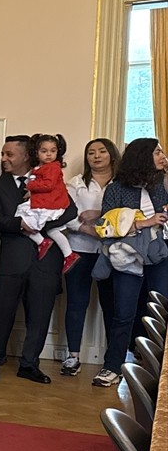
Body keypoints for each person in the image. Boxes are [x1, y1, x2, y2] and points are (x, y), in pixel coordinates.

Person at [0, 135, 77, 384]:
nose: (3, 158)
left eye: (9, 154)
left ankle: (29, 364)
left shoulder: (51, 178)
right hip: (11, 260)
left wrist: (43, 224)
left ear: (26, 155)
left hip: (46, 262)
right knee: (2, 313)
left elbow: (71, 210)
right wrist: (20, 224)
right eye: (3, 154)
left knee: (40, 315)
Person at [93, 137, 168, 388]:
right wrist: (144, 223)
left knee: (160, 313)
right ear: (143, 156)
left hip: (159, 257)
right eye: (157, 152)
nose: (162, 156)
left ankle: (159, 373)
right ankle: (112, 367)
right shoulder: (116, 189)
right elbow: (105, 227)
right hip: (127, 259)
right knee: (123, 314)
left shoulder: (162, 184)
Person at [60, 138, 119, 376]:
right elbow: (65, 215)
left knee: (111, 305)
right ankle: (72, 356)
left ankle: (112, 361)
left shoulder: (122, 183)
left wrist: (99, 215)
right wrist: (86, 229)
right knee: (76, 303)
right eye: (91, 152)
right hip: (79, 249)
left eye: (102, 151)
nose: (96, 156)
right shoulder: (76, 183)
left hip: (112, 251)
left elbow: (126, 215)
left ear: (112, 155)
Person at [16, 134, 79, 274]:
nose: (49, 154)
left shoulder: (53, 168)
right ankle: (68, 254)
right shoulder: (41, 168)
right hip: (47, 202)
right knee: (52, 230)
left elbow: (48, 185)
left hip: (50, 204)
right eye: (44, 151)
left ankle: (42, 242)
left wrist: (31, 186)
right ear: (36, 153)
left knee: (23, 221)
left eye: (53, 151)